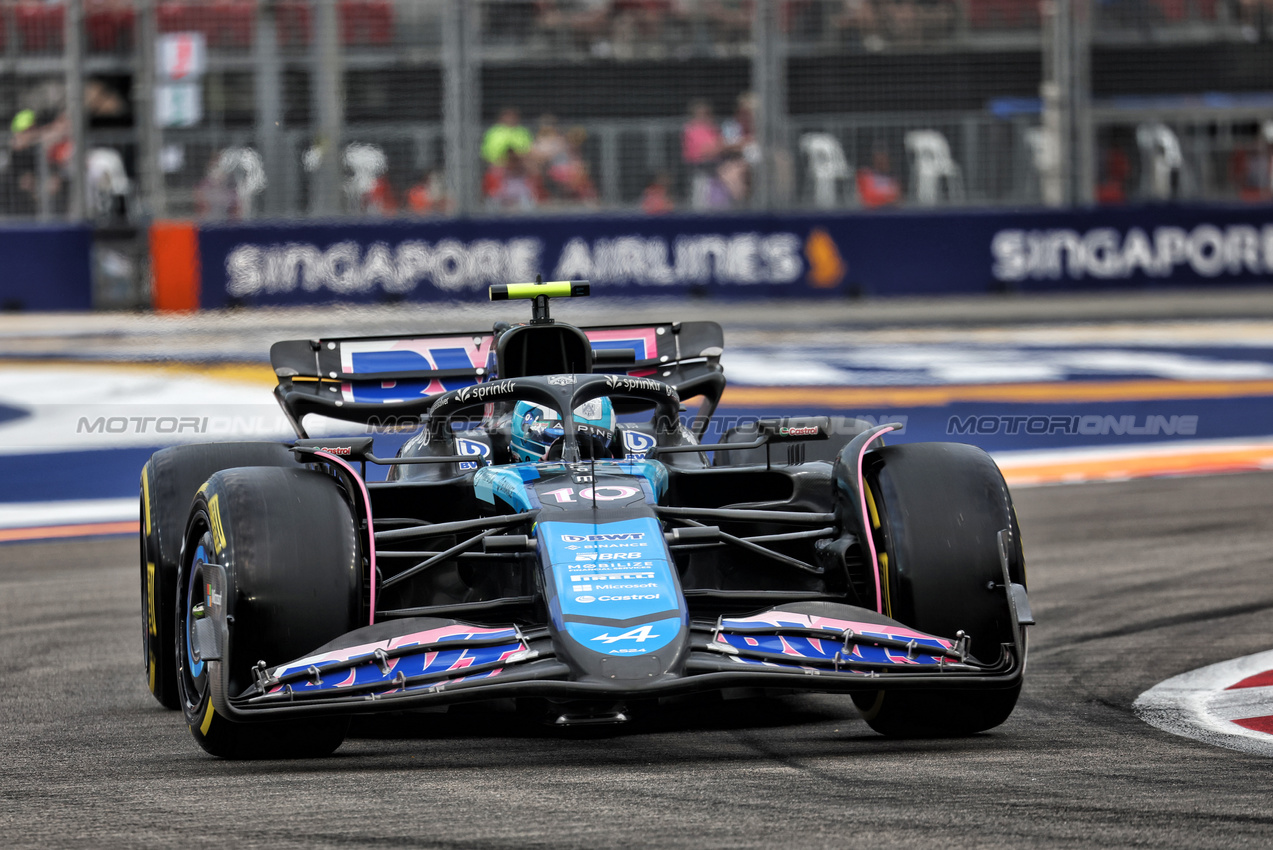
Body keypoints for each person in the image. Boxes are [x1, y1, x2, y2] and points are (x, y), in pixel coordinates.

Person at [682, 99, 722, 209]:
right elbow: (703, 150)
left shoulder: (713, 129)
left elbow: (719, 145)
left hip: (716, 168)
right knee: (701, 204)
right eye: (701, 114)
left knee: (719, 203)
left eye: (707, 114)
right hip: (699, 168)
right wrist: (716, 148)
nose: (704, 117)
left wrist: (716, 148)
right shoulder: (690, 129)